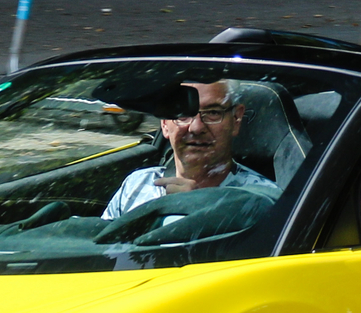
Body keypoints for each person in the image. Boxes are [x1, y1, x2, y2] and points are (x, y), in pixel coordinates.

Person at [103, 79, 279, 218]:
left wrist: (199, 208)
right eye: (183, 113)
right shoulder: (137, 185)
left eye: (213, 113)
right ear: (164, 123)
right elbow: (100, 252)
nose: (196, 127)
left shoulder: (262, 200)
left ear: (236, 119)